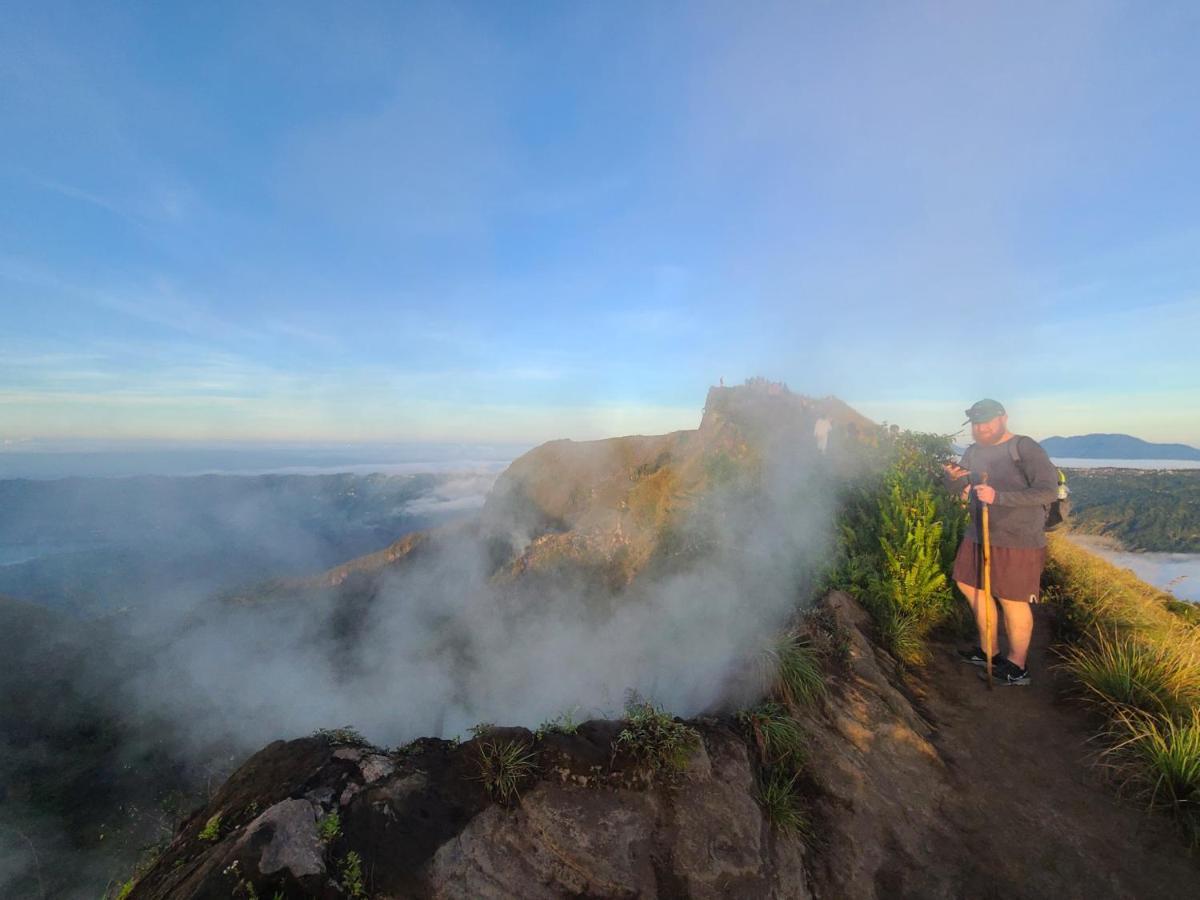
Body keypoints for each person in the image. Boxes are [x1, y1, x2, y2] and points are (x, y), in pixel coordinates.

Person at [943, 399, 1059, 685]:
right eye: (976, 423)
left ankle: (1017, 667)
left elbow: (1048, 491)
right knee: (970, 586)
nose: (981, 428)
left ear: (1003, 419)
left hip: (1018, 538)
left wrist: (999, 498)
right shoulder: (973, 451)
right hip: (978, 532)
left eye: (987, 421)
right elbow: (962, 486)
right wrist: (954, 480)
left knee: (1012, 599)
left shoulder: (1024, 447)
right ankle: (989, 651)